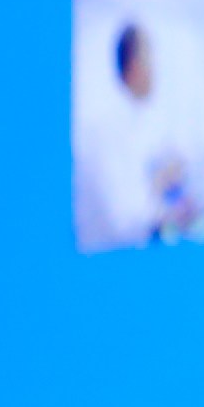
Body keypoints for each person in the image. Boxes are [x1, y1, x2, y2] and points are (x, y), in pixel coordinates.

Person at [81, 20, 193, 248]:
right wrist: (160, 182)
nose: (155, 70)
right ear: (134, 67)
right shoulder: (105, 131)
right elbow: (124, 222)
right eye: (150, 59)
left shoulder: (148, 121)